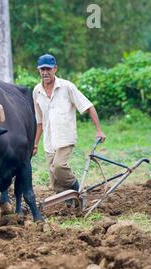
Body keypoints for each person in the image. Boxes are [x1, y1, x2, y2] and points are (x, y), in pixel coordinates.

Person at [32, 53, 106, 198]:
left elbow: (89, 106)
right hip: (49, 140)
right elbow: (39, 121)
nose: (45, 72)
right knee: (55, 182)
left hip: (65, 136)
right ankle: (69, 205)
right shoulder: (37, 91)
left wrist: (99, 130)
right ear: (38, 70)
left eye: (48, 69)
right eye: (42, 69)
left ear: (55, 69)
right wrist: (35, 144)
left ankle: (76, 188)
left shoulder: (67, 87)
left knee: (59, 166)